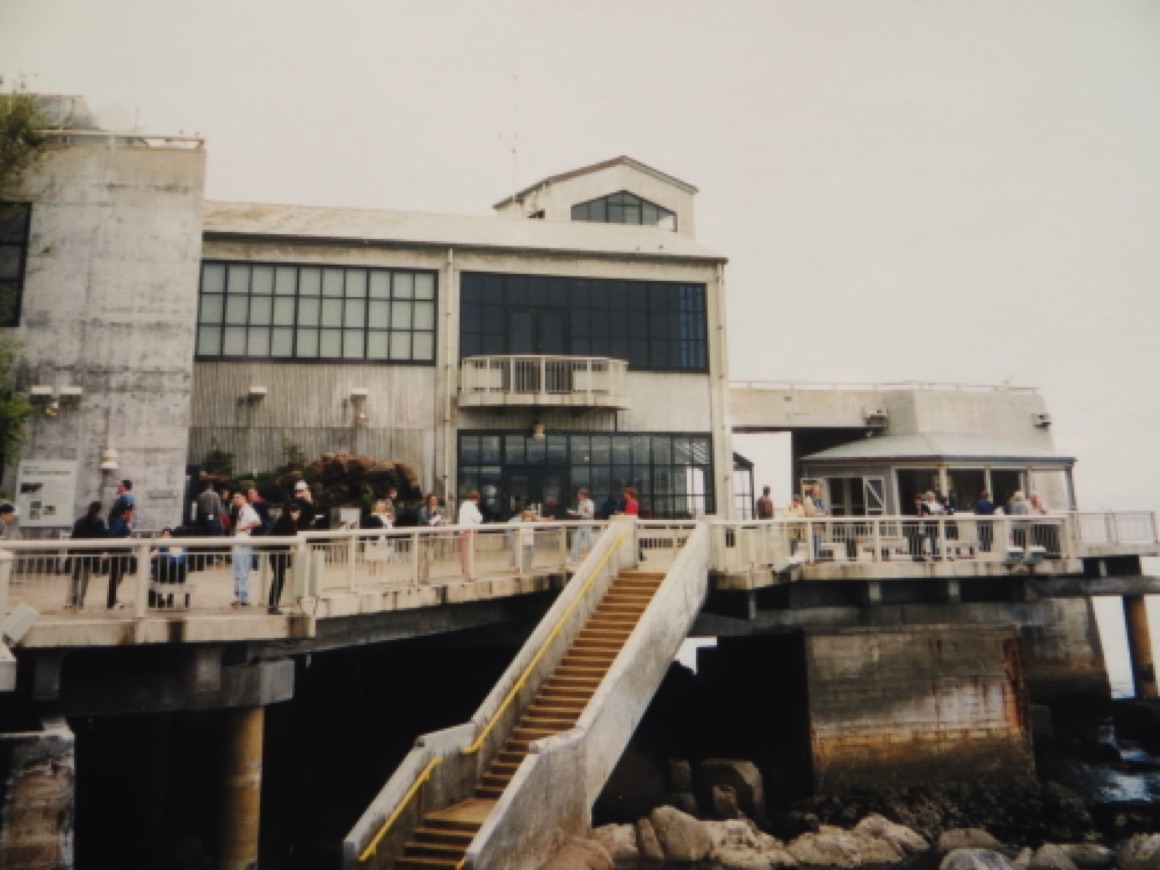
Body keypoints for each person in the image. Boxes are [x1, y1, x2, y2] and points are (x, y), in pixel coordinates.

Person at [66, 501, 105, 610]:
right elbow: (100, 539)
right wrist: (98, 555)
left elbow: (73, 537)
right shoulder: (99, 523)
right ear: (99, 510)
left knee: (74, 576)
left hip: (77, 552)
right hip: (89, 554)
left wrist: (70, 553)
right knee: (85, 578)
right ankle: (80, 600)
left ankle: (72, 597)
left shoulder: (79, 521)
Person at [267, 503, 300, 615]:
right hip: (278, 554)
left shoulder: (281, 520)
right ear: (292, 512)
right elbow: (292, 534)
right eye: (297, 513)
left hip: (277, 553)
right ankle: (273, 605)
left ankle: (273, 604)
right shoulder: (286, 522)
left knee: (278, 578)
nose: (298, 515)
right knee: (279, 579)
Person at [230, 491, 261, 606]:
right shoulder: (241, 511)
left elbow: (257, 522)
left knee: (242, 568)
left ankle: (244, 597)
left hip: (243, 538)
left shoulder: (248, 510)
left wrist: (243, 527)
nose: (235, 500)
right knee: (238, 568)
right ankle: (240, 595)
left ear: (244, 498)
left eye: (237, 498)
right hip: (239, 539)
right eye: (234, 498)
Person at [105, 504, 134, 610]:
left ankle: (113, 599)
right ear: (125, 512)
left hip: (121, 553)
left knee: (117, 577)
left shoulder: (122, 522)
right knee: (115, 577)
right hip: (118, 553)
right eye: (130, 512)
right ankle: (111, 601)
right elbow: (114, 536)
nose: (132, 514)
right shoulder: (119, 522)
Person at [150, 528, 188, 608]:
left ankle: (159, 599)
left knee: (163, 567)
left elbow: (153, 555)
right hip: (180, 575)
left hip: (166, 575)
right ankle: (168, 599)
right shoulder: (184, 547)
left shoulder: (164, 546)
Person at [362, 499, 398, 575]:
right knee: (372, 559)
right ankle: (372, 576)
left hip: (384, 540)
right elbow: (365, 527)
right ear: (375, 506)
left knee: (384, 559)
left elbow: (392, 524)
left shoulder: (387, 516)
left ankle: (384, 577)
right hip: (374, 541)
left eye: (383, 506)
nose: (381, 508)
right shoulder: (370, 517)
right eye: (379, 506)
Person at [417, 493, 444, 583]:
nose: (434, 502)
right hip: (423, 536)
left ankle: (425, 577)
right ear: (428, 500)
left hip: (432, 538)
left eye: (435, 500)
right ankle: (417, 576)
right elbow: (425, 521)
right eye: (432, 500)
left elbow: (440, 521)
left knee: (430, 558)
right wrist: (433, 519)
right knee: (420, 557)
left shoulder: (439, 510)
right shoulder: (423, 510)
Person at [457, 490, 483, 578]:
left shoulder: (463, 505)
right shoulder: (471, 506)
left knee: (464, 552)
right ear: (476, 499)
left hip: (462, 531)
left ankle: (464, 570)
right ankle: (468, 571)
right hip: (469, 531)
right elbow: (478, 518)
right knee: (469, 552)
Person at [567, 488, 596, 564]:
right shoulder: (580, 503)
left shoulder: (590, 503)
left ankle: (595, 557)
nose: (578, 496)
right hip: (582, 523)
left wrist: (581, 513)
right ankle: (573, 558)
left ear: (584, 495)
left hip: (588, 523)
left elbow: (591, 513)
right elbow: (580, 512)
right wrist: (575, 513)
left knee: (590, 542)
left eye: (579, 495)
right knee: (577, 541)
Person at [804, 484, 827, 562]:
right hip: (812, 526)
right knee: (813, 542)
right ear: (813, 492)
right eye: (817, 490)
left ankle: (817, 558)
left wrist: (823, 513)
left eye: (819, 490)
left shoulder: (818, 500)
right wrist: (821, 514)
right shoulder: (808, 500)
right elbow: (810, 513)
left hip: (818, 526)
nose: (819, 492)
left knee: (818, 542)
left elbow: (823, 509)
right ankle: (813, 559)